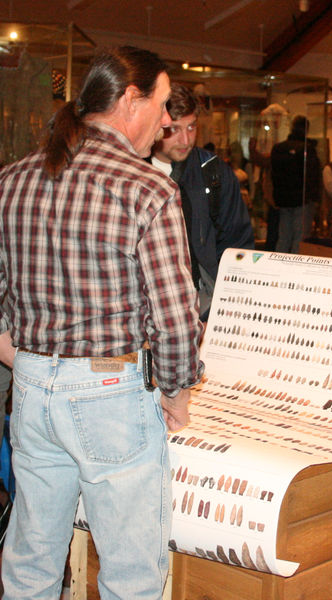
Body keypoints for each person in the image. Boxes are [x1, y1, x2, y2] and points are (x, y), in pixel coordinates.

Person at [0, 46, 205, 599]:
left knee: (31, 558)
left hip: (32, 390)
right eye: (162, 105)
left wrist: (31, 363)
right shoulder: (149, 189)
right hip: (111, 393)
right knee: (133, 574)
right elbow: (176, 317)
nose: (167, 121)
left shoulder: (13, 180)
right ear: (130, 101)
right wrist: (178, 390)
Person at [151, 83, 254, 320]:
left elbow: (237, 243)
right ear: (157, 124)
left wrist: (232, 301)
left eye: (191, 127)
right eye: (174, 129)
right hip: (150, 305)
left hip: (204, 304)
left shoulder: (213, 171)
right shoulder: (134, 170)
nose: (185, 139)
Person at [271, 115, 322, 253]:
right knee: (299, 238)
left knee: (283, 237)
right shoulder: (307, 149)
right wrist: (315, 199)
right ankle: (295, 269)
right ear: (306, 129)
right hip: (302, 199)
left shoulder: (278, 148)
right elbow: (313, 176)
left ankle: (277, 268)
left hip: (283, 199)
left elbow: (273, 174)